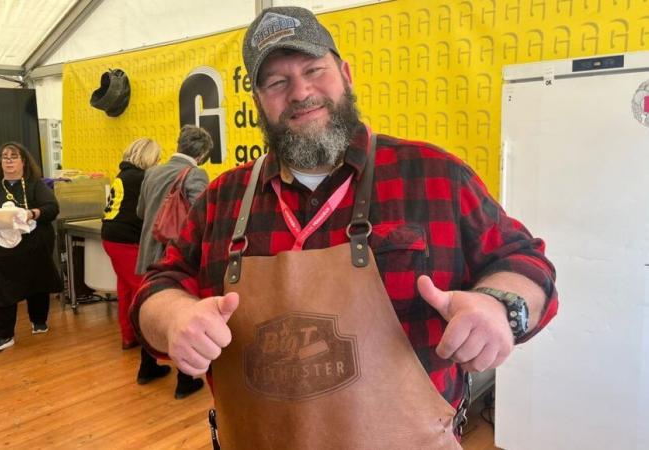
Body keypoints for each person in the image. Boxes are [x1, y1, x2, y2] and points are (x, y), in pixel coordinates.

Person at [131, 6, 559, 449]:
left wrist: (498, 307)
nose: (301, 92)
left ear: (346, 74)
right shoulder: (223, 199)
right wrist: (175, 316)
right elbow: (157, 285)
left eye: (314, 69)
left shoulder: (434, 175)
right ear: (259, 101)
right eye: (277, 82)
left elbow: (523, 260)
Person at [134, 125, 212, 398]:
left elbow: (141, 211)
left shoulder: (152, 172)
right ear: (202, 153)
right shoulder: (196, 174)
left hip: (148, 251)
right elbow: (203, 216)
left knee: (152, 305)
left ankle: (147, 367)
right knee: (183, 313)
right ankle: (185, 380)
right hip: (176, 253)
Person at [0, 142, 61, 352]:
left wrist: (31, 213)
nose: (8, 160)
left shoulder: (35, 184)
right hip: (0, 249)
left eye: (13, 156)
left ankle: (38, 320)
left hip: (32, 246)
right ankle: (3, 335)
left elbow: (52, 208)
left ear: (24, 161)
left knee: (37, 282)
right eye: (4, 157)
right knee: (1, 290)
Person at [101, 138, 162, 351]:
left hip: (111, 237)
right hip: (127, 240)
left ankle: (129, 336)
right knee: (142, 290)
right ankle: (149, 343)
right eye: (156, 159)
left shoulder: (124, 174)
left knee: (126, 288)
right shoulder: (141, 177)